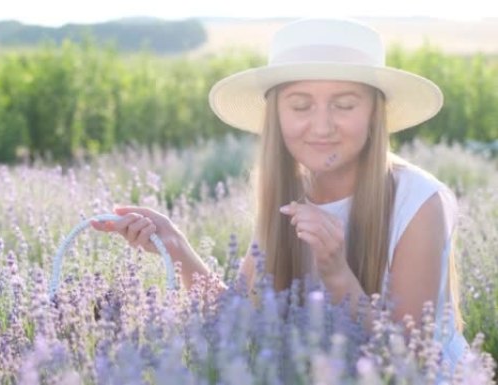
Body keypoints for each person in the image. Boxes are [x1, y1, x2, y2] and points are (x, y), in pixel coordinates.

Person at [90, 17, 468, 369]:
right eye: (301, 105)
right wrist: (174, 246)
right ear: (277, 117)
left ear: (374, 113)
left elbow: (409, 355)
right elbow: (238, 316)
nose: (322, 126)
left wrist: (336, 272)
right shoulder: (291, 195)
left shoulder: (419, 202)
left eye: (345, 104)